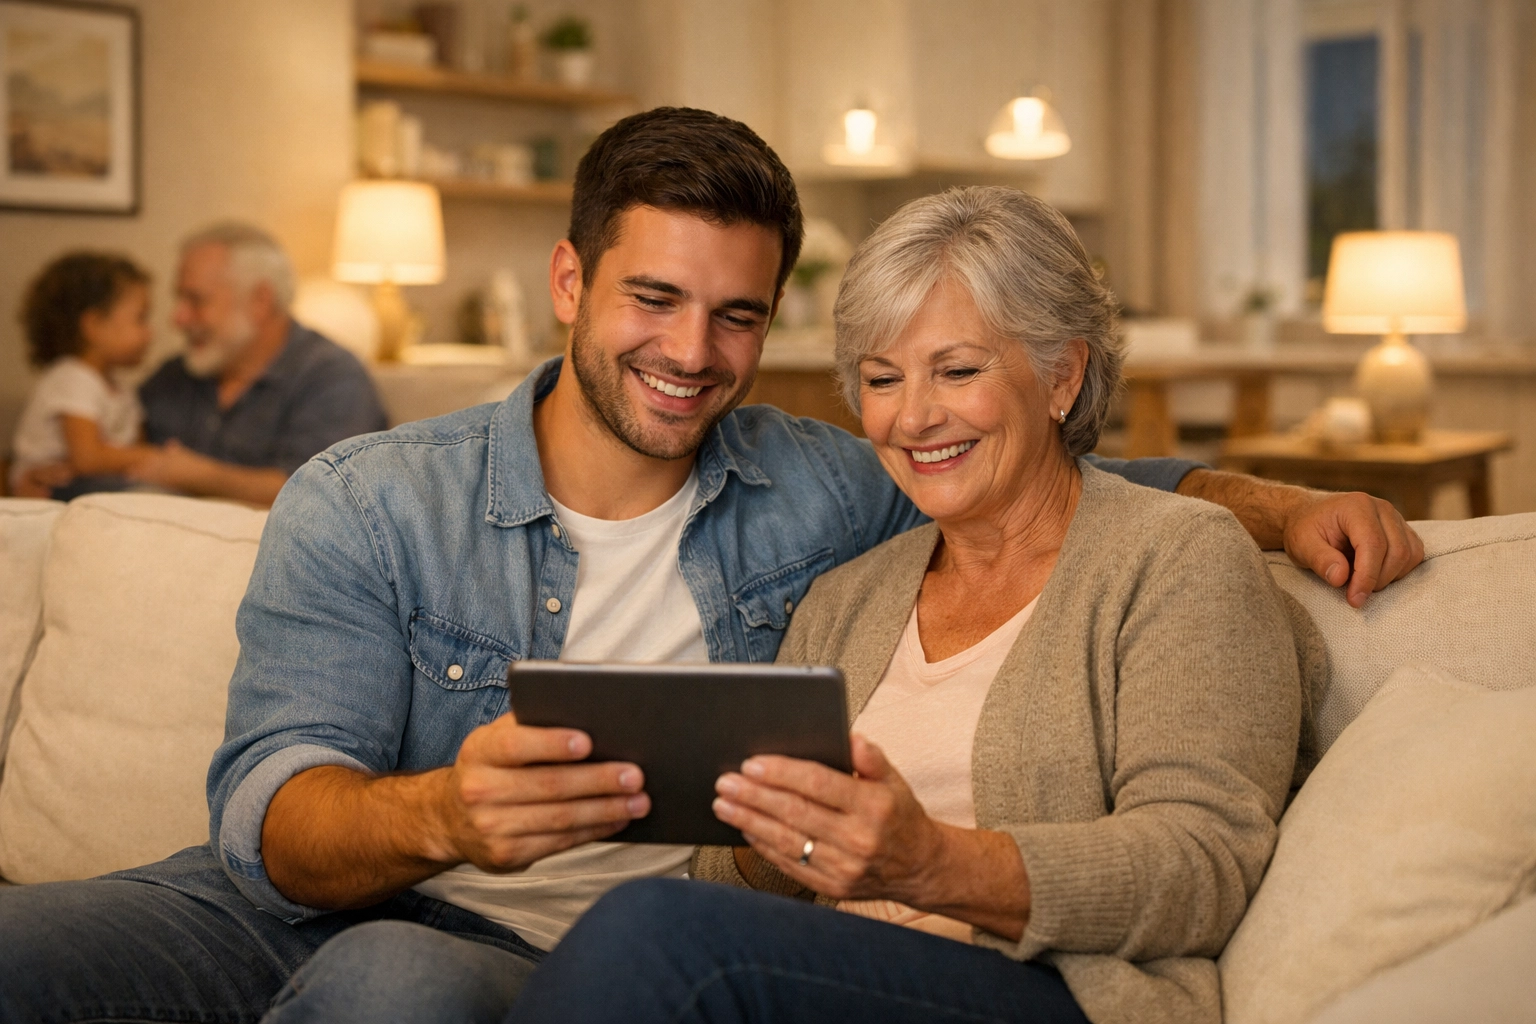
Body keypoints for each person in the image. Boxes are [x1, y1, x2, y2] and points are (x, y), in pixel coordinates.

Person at [0, 109, 1414, 1024]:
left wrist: (1272, 501)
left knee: (414, 985)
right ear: (570, 285)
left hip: (540, 965)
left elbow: (1082, 497)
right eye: (653, 299)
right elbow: (271, 805)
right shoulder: (377, 500)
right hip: (287, 904)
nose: (691, 354)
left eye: (736, 317)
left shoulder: (847, 499)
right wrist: (441, 811)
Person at [507, 186, 1315, 1024]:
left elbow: (1204, 865)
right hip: (840, 984)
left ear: (1062, 376)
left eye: (958, 371)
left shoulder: (1179, 558)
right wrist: (784, 836)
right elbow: (726, 881)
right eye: (882, 380)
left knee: (653, 933)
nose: (915, 417)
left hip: (1059, 994)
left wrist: (929, 862)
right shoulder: (850, 594)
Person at [14, 222, 389, 506]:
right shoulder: (176, 376)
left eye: (196, 301)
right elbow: (102, 444)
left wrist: (198, 475)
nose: (177, 319)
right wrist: (36, 478)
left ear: (259, 302)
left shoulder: (332, 378)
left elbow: (323, 495)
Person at [8, 252, 160, 500]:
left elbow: (131, 450)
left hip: (90, 487)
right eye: (140, 318)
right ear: (94, 325)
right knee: (149, 495)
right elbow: (87, 458)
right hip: (51, 489)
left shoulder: (121, 390)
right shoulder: (72, 379)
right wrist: (158, 458)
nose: (150, 333)